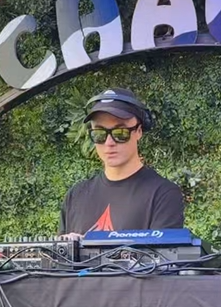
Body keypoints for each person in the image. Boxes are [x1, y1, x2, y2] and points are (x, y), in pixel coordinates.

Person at [59, 87, 184, 237]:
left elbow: (163, 252)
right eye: (99, 133)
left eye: (120, 133)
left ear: (139, 131)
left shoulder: (163, 194)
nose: (109, 142)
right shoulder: (75, 196)